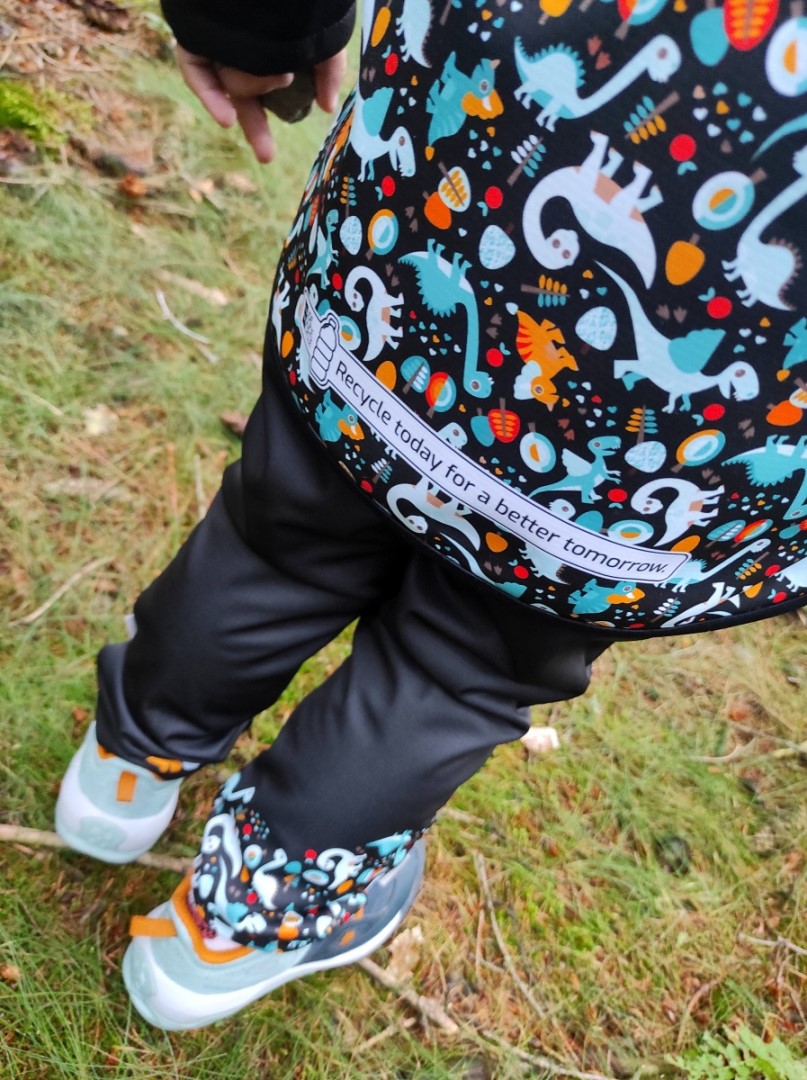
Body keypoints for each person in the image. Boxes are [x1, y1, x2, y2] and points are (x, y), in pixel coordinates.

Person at [55, 0, 807, 1031]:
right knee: (460, 668)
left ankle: (128, 765)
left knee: (281, 536)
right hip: (685, 443)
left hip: (432, 215)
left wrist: (257, 23)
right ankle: (225, 933)